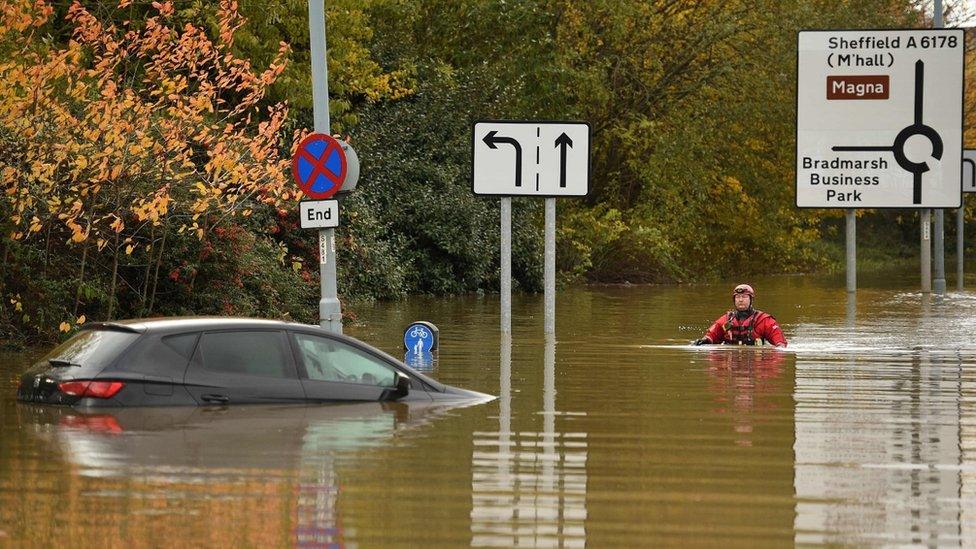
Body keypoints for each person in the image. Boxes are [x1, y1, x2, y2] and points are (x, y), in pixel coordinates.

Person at [693, 284, 787, 347]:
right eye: (737, 297)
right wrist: (704, 341)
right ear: (734, 300)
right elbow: (711, 336)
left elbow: (780, 343)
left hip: (755, 362)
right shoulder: (725, 320)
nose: (740, 300)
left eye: (744, 297)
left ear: (751, 300)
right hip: (731, 361)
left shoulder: (764, 320)